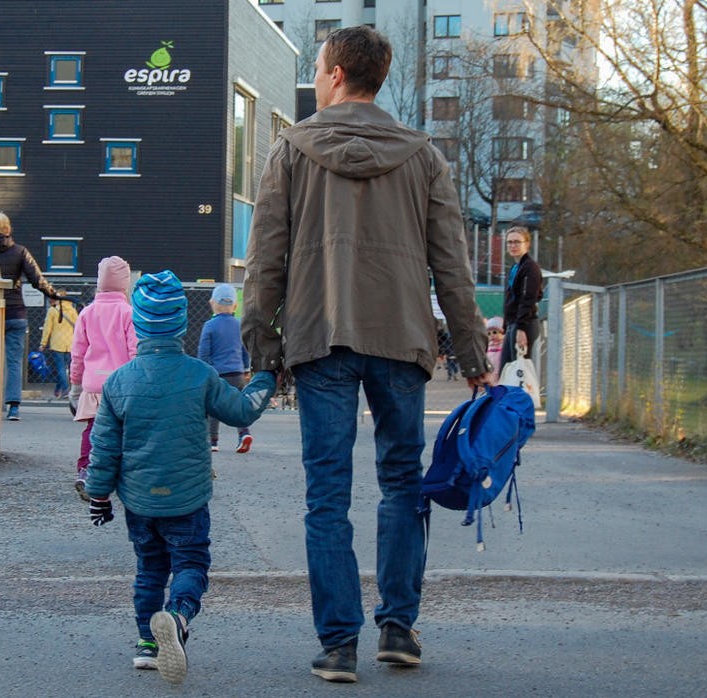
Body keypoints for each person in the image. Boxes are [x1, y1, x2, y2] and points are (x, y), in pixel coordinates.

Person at [242, 25, 491, 684]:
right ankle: (399, 629)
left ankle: (338, 645)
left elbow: (266, 260)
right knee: (402, 484)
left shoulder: (290, 150)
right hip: (401, 338)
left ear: (333, 75)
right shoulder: (423, 156)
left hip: (319, 339)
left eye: (319, 68)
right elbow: (452, 266)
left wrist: (261, 349)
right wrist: (471, 352)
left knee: (327, 495)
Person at [84, 270, 275, 685]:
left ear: (137, 323)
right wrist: (264, 378)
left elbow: (104, 448)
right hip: (187, 498)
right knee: (191, 563)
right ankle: (178, 615)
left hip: (138, 499)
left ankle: (146, 645)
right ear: (182, 324)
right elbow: (242, 412)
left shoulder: (119, 382)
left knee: (149, 568)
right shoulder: (200, 376)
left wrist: (99, 495)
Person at [69, 256, 137, 500]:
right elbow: (134, 351)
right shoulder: (128, 313)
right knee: (124, 432)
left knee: (92, 430)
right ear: (125, 285)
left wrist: (75, 384)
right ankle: (123, 477)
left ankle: (86, 470)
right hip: (122, 384)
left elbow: (77, 352)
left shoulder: (87, 313)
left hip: (93, 384)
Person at [0, 212, 61, 422]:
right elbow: (37, 279)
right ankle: (13, 408)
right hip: (15, 313)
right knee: (14, 361)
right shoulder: (20, 252)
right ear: (8, 229)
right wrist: (53, 295)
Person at [196, 283, 254, 453]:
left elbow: (204, 352)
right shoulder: (239, 325)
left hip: (217, 374)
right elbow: (245, 350)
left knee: (214, 408)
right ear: (235, 305)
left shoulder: (209, 326)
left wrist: (204, 370)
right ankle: (244, 433)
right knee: (238, 405)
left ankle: (213, 441)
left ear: (212, 303)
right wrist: (245, 369)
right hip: (237, 374)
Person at [500, 225, 544, 368]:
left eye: (517, 242)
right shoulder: (515, 267)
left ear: (527, 244)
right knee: (506, 369)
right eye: (510, 242)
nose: (513, 245)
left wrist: (521, 328)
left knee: (519, 372)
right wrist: (506, 324)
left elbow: (528, 298)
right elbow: (510, 299)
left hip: (524, 324)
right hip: (513, 323)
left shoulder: (530, 267)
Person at [39, 295, 79, 399]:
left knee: (60, 368)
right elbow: (78, 326)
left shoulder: (52, 310)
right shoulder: (72, 310)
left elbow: (47, 328)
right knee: (69, 368)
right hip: (70, 343)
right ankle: (59, 389)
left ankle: (65, 389)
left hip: (57, 344)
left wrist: (43, 343)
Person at [485, 316, 505, 384]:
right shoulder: (488, 346)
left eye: (495, 332)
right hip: (491, 372)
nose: (492, 335)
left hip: (502, 372)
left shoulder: (503, 344)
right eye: (489, 334)